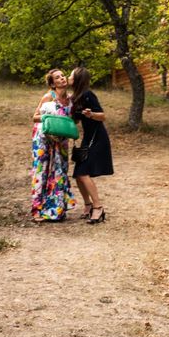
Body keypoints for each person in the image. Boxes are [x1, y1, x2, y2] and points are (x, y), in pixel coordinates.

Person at [30, 68, 76, 222]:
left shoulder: (71, 99)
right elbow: (35, 117)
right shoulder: (49, 97)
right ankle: (38, 210)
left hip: (61, 140)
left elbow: (72, 120)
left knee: (60, 171)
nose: (62, 78)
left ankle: (56, 210)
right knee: (41, 171)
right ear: (52, 83)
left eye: (63, 75)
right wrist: (51, 118)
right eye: (57, 77)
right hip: (43, 137)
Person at [68, 67, 113, 224]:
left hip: (98, 138)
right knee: (78, 174)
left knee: (83, 172)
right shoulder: (75, 97)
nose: (68, 77)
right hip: (88, 139)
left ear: (77, 78)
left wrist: (91, 114)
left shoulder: (88, 95)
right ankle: (87, 205)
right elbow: (75, 120)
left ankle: (98, 207)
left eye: (71, 75)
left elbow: (103, 116)